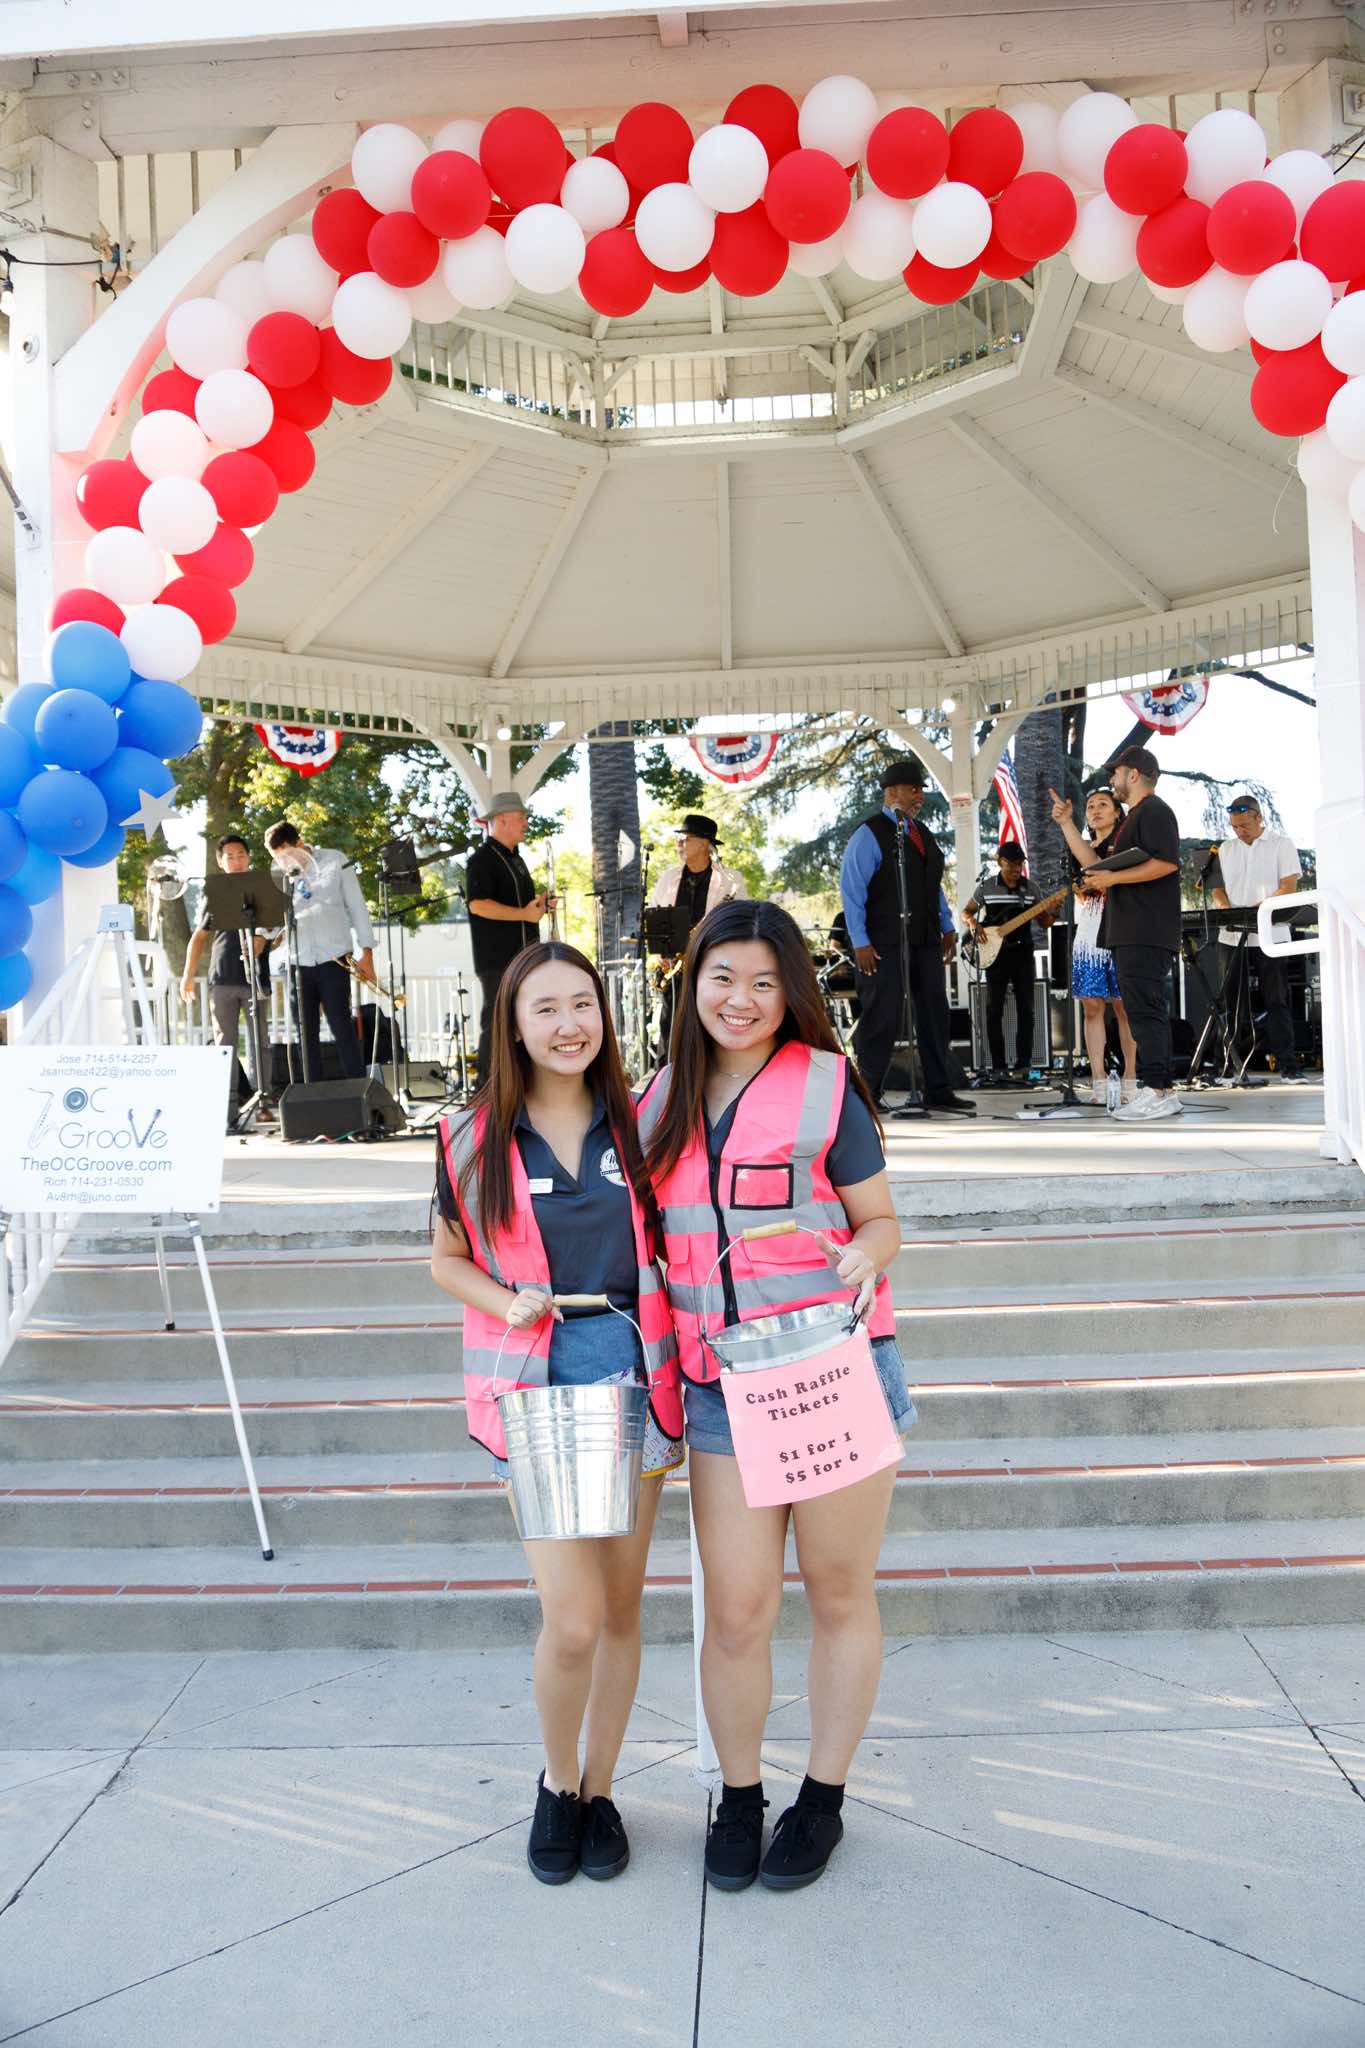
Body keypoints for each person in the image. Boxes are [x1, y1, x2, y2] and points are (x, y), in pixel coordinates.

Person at [638, 899, 917, 1894]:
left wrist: (863, 1253)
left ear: (789, 990)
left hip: (832, 1374)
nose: (742, 999)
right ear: (693, 983)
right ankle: (741, 1794)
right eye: (723, 978)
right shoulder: (654, 1100)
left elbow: (882, 1221)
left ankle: (823, 1799)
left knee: (839, 1592)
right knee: (738, 1611)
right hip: (721, 1388)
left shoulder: (827, 1087)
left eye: (764, 981)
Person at [432, 941, 684, 1886]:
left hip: (634, 1377)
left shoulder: (645, 1124)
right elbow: (446, 1259)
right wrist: (507, 1302)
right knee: (571, 1619)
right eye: (545, 1008)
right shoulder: (470, 1137)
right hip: (536, 1387)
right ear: (512, 1024)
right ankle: (556, 1781)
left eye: (583, 1003)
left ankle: (600, 1790)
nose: (569, 1024)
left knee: (619, 1612)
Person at [839, 759, 975, 1114]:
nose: (919, 796)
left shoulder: (921, 833)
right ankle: (867, 1093)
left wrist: (946, 925)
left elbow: (932, 885)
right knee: (882, 1014)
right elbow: (852, 890)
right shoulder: (869, 834)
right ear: (891, 792)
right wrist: (859, 941)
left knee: (934, 1012)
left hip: (925, 938)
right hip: (882, 941)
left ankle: (938, 1089)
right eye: (913, 789)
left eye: (921, 790)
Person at [1077, 745, 1183, 1122]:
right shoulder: (1136, 816)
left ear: (1134, 774)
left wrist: (1113, 878)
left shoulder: (1154, 811)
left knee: (1145, 1011)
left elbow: (1166, 863)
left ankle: (1159, 1090)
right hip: (1130, 930)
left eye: (1117, 773)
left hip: (1145, 930)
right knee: (1140, 1010)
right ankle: (1159, 1088)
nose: (1112, 779)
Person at [262, 820, 373, 1083]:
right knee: (305, 1033)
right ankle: (312, 1094)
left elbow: (357, 906)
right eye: (277, 859)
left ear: (300, 843)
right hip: (296, 962)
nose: (283, 863)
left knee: (341, 1026)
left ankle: (359, 1090)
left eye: (287, 855)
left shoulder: (334, 860)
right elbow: (273, 927)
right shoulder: (279, 876)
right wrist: (266, 927)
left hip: (333, 957)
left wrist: (367, 951)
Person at [1049, 787, 1139, 1105]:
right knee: (1091, 1006)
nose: (1096, 810)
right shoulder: (1080, 849)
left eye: (1103, 804)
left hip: (1121, 929)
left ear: (1117, 812)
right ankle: (1098, 1080)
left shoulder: (1125, 846)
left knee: (1124, 1007)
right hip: (1089, 932)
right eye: (1090, 806)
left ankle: (1130, 1078)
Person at [179, 832, 273, 1123]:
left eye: (240, 855)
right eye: (229, 857)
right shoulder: (216, 893)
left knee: (260, 1043)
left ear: (249, 858)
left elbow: (279, 932)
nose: (236, 861)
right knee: (225, 1044)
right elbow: (199, 936)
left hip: (256, 978)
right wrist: (187, 976)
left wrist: (265, 940)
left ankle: (263, 1104)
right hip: (222, 978)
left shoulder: (264, 889)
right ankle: (228, 1109)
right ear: (220, 862)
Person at [1212, 794, 1303, 1075]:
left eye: (1244, 825)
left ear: (1259, 817)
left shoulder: (1281, 844)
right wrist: (1225, 908)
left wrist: (1260, 908)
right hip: (1230, 935)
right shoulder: (1225, 849)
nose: (1239, 831)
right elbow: (1216, 888)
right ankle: (1225, 1067)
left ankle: (1289, 1067)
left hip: (1271, 933)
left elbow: (1288, 887)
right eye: (1234, 827)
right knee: (1230, 1002)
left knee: (1276, 999)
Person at [648, 812, 748, 1059]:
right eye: (679, 839)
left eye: (686, 838)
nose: (679, 843)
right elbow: (655, 916)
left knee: (708, 1028)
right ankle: (668, 1073)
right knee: (669, 1028)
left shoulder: (730, 880)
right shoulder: (668, 878)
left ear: (704, 844)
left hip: (712, 965)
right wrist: (661, 953)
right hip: (675, 966)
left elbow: (741, 923)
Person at [464, 791, 555, 1060]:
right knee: (497, 1025)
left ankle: (520, 1081)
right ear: (502, 819)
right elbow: (477, 905)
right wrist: (523, 914)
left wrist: (539, 906)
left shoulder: (516, 859)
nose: (526, 823)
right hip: (498, 961)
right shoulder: (482, 859)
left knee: (524, 1023)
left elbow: (522, 909)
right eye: (521, 817)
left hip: (523, 955)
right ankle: (487, 1083)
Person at [962, 840, 1056, 1083]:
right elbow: (966, 911)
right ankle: (998, 1067)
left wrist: (1054, 910)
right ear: (1000, 862)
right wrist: (973, 924)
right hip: (996, 956)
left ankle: (1024, 1065)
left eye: (1020, 864)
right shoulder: (986, 887)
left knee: (1027, 1009)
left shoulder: (1031, 888)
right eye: (1011, 864)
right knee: (994, 1010)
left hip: (1023, 953)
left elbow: (1044, 922)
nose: (1016, 869)